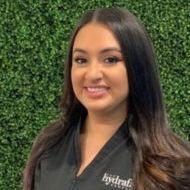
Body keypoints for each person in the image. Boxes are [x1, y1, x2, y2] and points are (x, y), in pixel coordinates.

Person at [23, 7, 190, 190]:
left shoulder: (172, 167)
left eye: (110, 59)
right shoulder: (49, 147)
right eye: (81, 60)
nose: (92, 73)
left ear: (138, 66)